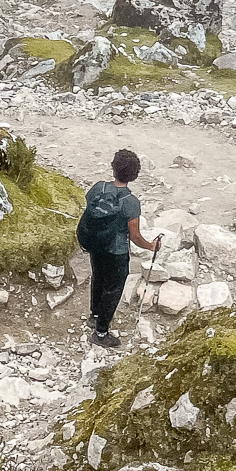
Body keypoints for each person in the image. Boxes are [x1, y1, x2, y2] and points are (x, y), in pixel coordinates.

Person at [77, 148, 158, 347]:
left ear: (113, 168)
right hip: (116, 252)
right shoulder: (131, 203)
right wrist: (151, 246)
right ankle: (101, 333)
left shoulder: (98, 188)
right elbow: (136, 237)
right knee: (113, 288)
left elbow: (89, 210)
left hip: (96, 245)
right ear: (134, 175)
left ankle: (94, 316)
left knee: (98, 278)